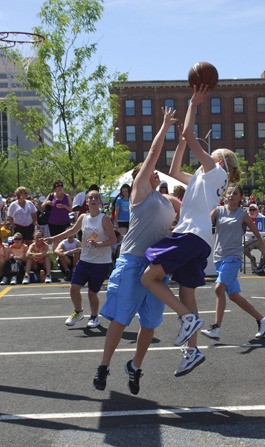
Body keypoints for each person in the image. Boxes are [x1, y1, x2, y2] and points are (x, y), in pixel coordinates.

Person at [141, 85, 241, 377]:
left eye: (213, 153)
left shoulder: (215, 172)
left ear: (220, 160)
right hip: (199, 240)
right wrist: (178, 134)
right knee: (188, 293)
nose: (209, 154)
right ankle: (192, 350)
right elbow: (173, 168)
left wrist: (193, 104)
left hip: (190, 235)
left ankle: (186, 319)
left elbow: (187, 135)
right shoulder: (203, 176)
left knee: (148, 277)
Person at [93, 107, 181, 395]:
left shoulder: (167, 201)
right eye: (148, 170)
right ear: (140, 177)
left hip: (156, 266)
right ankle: (104, 365)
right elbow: (154, 152)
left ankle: (135, 366)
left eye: (154, 171)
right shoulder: (140, 193)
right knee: (121, 318)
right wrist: (165, 125)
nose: (154, 172)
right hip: (133, 261)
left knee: (151, 323)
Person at [201, 185, 265, 342]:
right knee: (233, 296)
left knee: (219, 289)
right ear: (225, 196)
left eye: (235, 193)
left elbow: (258, 236)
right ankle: (263, 320)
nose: (231, 195)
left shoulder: (242, 215)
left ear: (240, 197)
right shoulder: (218, 211)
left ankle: (216, 328)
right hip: (219, 258)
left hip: (233, 258)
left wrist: (264, 250)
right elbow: (203, 225)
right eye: (229, 193)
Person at [45, 190, 116, 328]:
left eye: (96, 197)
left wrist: (99, 244)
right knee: (74, 288)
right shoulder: (83, 217)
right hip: (85, 259)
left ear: (99, 201)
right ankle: (78, 312)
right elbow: (72, 231)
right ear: (87, 202)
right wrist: (54, 238)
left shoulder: (104, 218)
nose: (93, 199)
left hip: (101, 262)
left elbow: (113, 239)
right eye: (91, 197)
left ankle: (94, 317)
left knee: (92, 292)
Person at [41, 180, 72, 248]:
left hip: (65, 222)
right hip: (53, 222)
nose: (60, 187)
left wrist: (64, 206)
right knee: (54, 240)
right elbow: (42, 206)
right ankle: (54, 255)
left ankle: (63, 255)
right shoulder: (51, 195)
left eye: (61, 186)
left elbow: (71, 209)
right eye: (57, 186)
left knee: (65, 240)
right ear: (54, 188)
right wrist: (47, 202)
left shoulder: (67, 196)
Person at [243, 204, 265, 272]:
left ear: (257, 211)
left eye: (254, 209)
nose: (252, 211)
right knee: (242, 248)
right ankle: (252, 259)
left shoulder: (262, 217)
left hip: (259, 240)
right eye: (250, 209)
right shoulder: (245, 217)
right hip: (249, 240)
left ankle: (263, 260)